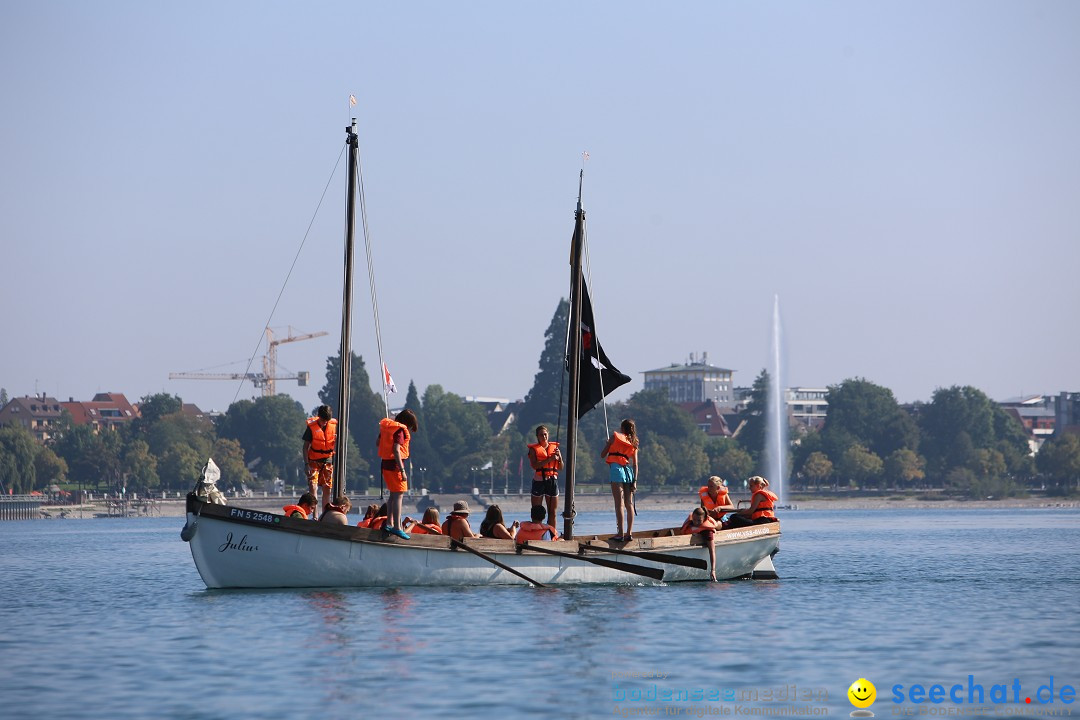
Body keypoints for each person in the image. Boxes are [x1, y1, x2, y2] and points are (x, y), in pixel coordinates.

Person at [376, 409, 419, 540]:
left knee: (392, 496)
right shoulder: (400, 431)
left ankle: (389, 523)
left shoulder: (388, 428)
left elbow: (378, 443)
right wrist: (402, 470)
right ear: (407, 423)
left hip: (385, 465)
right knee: (399, 496)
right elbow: (396, 450)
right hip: (395, 467)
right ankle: (397, 527)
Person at [600, 418, 640, 542]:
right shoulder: (634, 442)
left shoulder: (614, 437)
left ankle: (620, 534)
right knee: (629, 503)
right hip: (628, 472)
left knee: (619, 504)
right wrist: (635, 481)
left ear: (622, 428)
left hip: (616, 470)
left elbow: (602, 455)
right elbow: (635, 464)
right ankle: (629, 533)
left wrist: (608, 444)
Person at [527, 425, 563, 538]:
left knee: (552, 511)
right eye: (541, 435)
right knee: (536, 511)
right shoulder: (533, 450)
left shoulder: (555, 448)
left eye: (545, 434)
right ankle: (536, 534)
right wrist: (549, 459)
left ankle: (552, 535)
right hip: (539, 481)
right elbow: (534, 465)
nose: (544, 436)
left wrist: (559, 458)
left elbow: (561, 467)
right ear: (537, 436)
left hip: (552, 480)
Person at [302, 405, 337, 517]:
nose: (324, 423)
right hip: (313, 461)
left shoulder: (334, 426)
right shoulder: (311, 427)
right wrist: (306, 464)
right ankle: (315, 516)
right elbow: (305, 447)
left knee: (327, 487)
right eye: (322, 420)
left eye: (326, 421)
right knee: (313, 485)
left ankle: (324, 515)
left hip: (328, 460)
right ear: (319, 418)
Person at [681, 507, 718, 581]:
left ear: (704, 519)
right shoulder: (690, 524)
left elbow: (712, 551)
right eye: (694, 519)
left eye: (699, 520)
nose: (696, 522)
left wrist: (713, 570)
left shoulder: (708, 532)